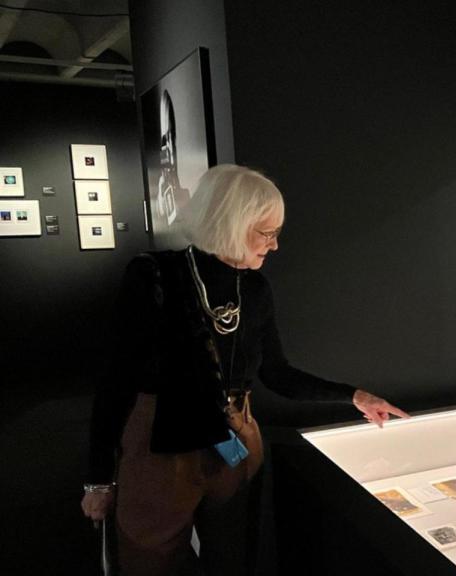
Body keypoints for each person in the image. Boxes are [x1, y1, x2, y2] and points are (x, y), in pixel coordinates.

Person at [80, 164, 409, 576]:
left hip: (237, 434)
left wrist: (356, 396)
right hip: (162, 439)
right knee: (151, 557)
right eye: (266, 232)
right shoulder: (154, 275)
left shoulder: (254, 289)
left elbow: (277, 373)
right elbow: (115, 380)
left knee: (236, 555)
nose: (274, 246)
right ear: (230, 222)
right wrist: (98, 479)